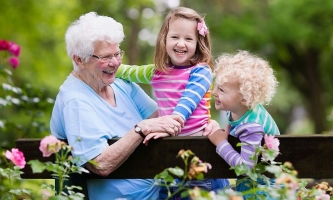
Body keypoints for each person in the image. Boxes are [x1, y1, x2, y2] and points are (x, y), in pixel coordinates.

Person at [50, 12, 185, 200]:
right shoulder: (75, 101)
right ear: (79, 60)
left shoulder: (121, 84)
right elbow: (99, 164)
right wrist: (140, 129)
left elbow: (163, 117)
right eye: (105, 57)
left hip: (161, 191)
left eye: (117, 53)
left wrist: (201, 124)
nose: (115, 63)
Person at [115, 6, 229, 199]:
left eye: (188, 39)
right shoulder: (156, 72)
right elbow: (127, 71)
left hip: (199, 157)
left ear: (198, 43)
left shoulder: (201, 72)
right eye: (175, 37)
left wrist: (170, 124)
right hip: (169, 159)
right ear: (164, 40)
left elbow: (186, 104)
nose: (181, 44)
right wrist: (107, 66)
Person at [204, 50, 280, 199]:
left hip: (263, 190)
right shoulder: (238, 110)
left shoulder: (252, 126)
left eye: (221, 89)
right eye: (216, 86)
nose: (214, 92)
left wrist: (221, 143)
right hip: (254, 184)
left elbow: (246, 169)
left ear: (244, 98)